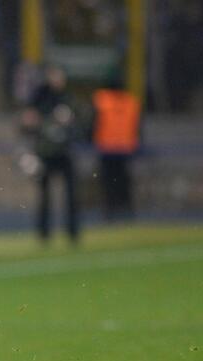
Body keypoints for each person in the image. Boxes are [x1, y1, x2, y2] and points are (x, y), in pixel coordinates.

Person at [21, 65, 79, 244]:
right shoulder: (40, 96)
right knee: (45, 196)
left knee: (71, 195)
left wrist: (71, 121)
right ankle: (44, 234)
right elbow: (26, 122)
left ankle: (73, 233)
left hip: (64, 152)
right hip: (45, 152)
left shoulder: (67, 97)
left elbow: (79, 122)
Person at [91, 78, 141, 221]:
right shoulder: (131, 102)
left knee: (109, 183)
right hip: (124, 148)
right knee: (123, 182)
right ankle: (125, 211)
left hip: (107, 148)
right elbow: (137, 127)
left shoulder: (102, 101)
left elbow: (93, 123)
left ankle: (111, 212)